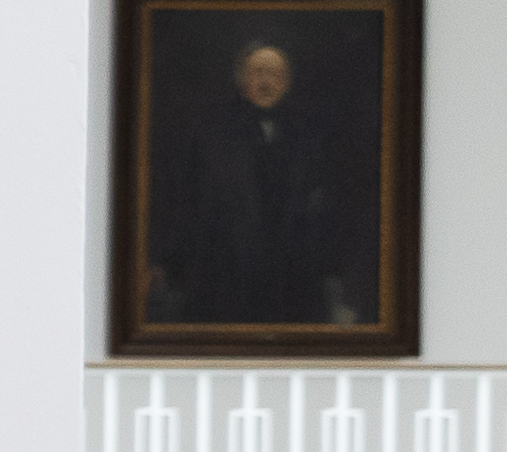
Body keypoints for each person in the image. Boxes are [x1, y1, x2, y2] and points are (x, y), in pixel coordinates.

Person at [153, 26, 364, 333]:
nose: (266, 82)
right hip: (227, 279)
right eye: (258, 72)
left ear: (286, 83)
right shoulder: (212, 136)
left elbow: (329, 210)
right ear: (242, 80)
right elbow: (186, 206)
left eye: (275, 74)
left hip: (293, 282)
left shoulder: (308, 136)